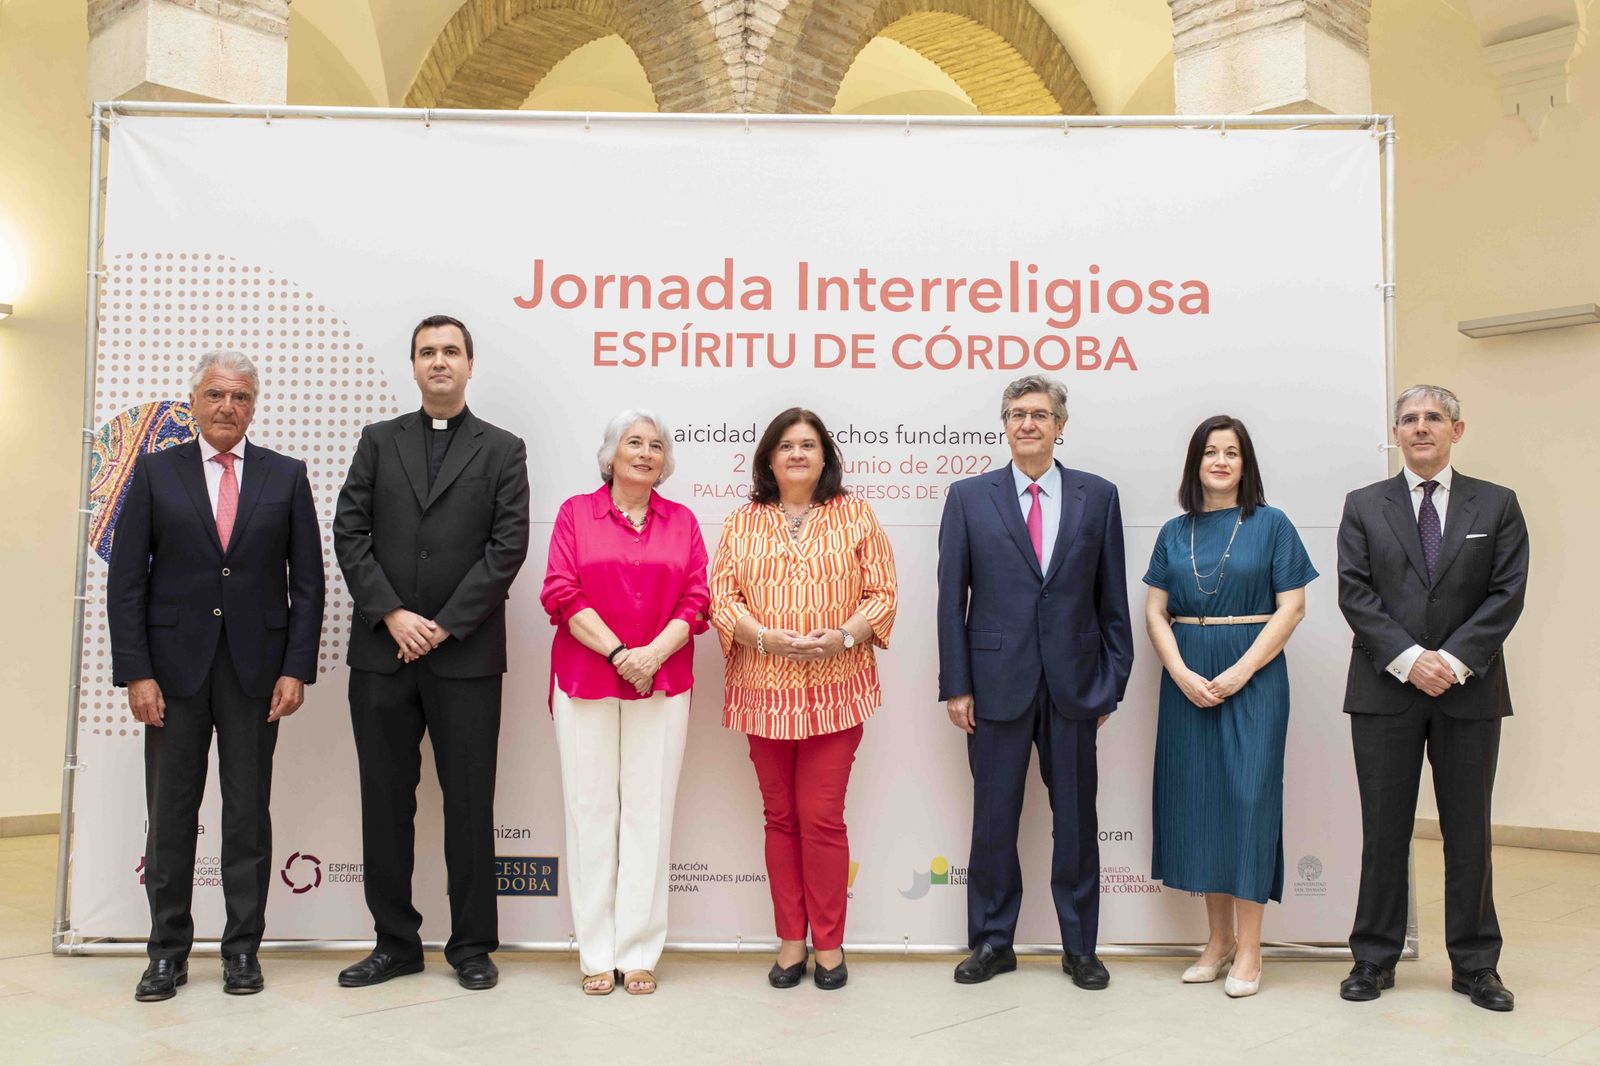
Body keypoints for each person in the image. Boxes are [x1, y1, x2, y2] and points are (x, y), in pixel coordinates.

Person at [108, 350, 324, 1002]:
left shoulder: (286, 477)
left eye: (240, 397)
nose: (227, 407)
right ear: (194, 402)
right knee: (170, 817)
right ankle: (166, 954)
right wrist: (136, 673)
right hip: (172, 676)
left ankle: (241, 951)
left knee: (246, 816)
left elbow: (307, 586)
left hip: (257, 674)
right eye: (215, 396)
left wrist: (296, 667)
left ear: (254, 405)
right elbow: (126, 584)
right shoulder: (153, 473)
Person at [332, 315, 530, 992]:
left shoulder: (503, 450)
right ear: (413, 366)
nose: (439, 361)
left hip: (465, 658)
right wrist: (391, 613)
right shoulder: (378, 442)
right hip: (382, 654)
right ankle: (395, 943)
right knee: (385, 803)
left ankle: (472, 945)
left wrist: (442, 625)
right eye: (427, 352)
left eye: (451, 351)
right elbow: (349, 530)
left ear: (470, 365)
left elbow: (507, 549)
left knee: (469, 804)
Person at [936, 373, 1133, 990]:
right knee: (995, 818)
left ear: (1060, 426)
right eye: (1018, 413)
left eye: (1040, 414)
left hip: (1075, 686)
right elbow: (951, 601)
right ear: (1004, 423)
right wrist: (957, 685)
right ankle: (994, 942)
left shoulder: (1097, 496)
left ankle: (1080, 947)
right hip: (994, 684)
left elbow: (1113, 599)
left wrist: (1112, 682)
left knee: (1076, 818)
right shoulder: (969, 498)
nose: (1028, 423)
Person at [1337, 384, 1528, 1013]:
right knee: (1383, 831)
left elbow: (1506, 595)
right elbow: (1355, 594)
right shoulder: (1364, 505)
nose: (1421, 428)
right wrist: (1409, 660)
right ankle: (1373, 957)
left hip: (1468, 693)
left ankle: (1476, 966)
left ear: (1457, 430)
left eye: (1434, 419)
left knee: (1468, 831)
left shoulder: (1497, 505)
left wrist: (1447, 662)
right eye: (1409, 420)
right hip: (1384, 691)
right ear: (1396, 433)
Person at [709, 407, 897, 992]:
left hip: (836, 692)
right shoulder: (743, 521)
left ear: (825, 458)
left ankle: (831, 944)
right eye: (786, 445)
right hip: (762, 692)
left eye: (809, 445)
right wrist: (763, 637)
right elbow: (722, 598)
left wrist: (842, 636)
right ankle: (792, 940)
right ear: (768, 457)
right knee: (780, 817)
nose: (797, 454)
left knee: (821, 817)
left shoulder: (857, 514)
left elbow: (883, 593)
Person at [1142, 415, 1316, 999]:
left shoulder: (1273, 525)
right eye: (1210, 452)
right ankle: (1215, 942)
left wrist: (1241, 670)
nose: (1220, 461)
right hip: (1187, 678)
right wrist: (1180, 672)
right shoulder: (1174, 531)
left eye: (1232, 453)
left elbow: (1291, 609)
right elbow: (1154, 612)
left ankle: (1250, 948)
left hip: (1255, 677)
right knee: (1202, 804)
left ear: (1247, 464)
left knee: (1248, 801)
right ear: (1195, 463)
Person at [539, 410, 709, 996]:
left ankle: (638, 951)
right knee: (590, 815)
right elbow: (559, 590)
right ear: (609, 455)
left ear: (665, 462)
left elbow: (697, 598)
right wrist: (619, 655)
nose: (645, 453)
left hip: (661, 684)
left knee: (649, 815)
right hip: (586, 678)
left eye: (656, 445)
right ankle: (596, 952)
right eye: (633, 443)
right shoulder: (574, 514)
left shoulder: (682, 521)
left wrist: (651, 656)